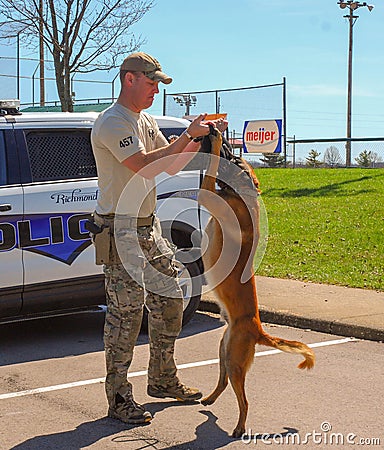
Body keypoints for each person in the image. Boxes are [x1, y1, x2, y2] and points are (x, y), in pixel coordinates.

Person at [91, 51, 227, 425]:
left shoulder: (144, 120)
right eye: (151, 82)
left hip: (147, 226)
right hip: (120, 229)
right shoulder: (112, 122)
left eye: (158, 84)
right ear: (129, 78)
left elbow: (167, 167)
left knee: (170, 300)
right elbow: (144, 166)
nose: (155, 89)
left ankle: (163, 379)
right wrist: (186, 134)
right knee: (126, 316)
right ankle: (119, 398)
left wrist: (199, 140)